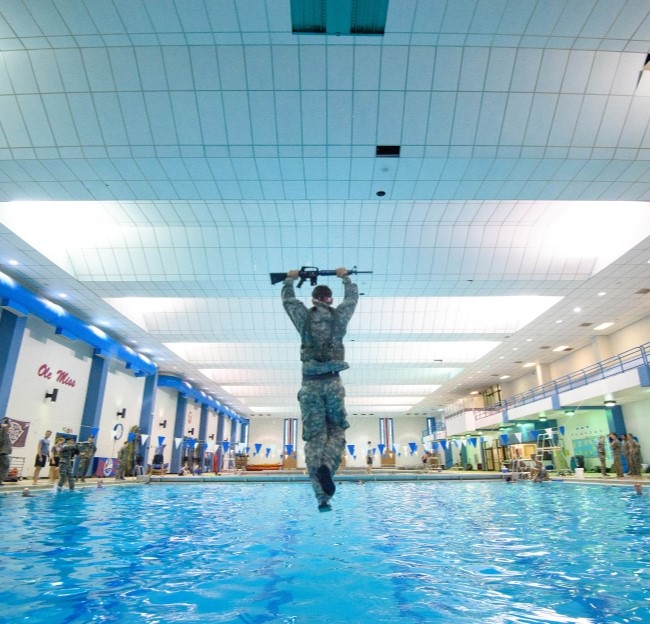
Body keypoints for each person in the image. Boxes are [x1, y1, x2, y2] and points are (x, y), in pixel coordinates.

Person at [281, 267, 358, 511]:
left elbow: (288, 300)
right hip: (333, 382)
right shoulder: (340, 317)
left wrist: (290, 279)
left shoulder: (304, 317)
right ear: (330, 300)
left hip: (310, 383)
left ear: (313, 299)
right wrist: (344, 277)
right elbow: (352, 298)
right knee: (336, 429)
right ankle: (328, 467)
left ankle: (321, 496)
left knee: (315, 436)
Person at [0, 417, 12, 485]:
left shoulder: (3, 433)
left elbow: (8, 426)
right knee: (4, 467)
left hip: (2, 453)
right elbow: (8, 426)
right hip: (3, 454)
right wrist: (7, 420)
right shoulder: (2, 433)